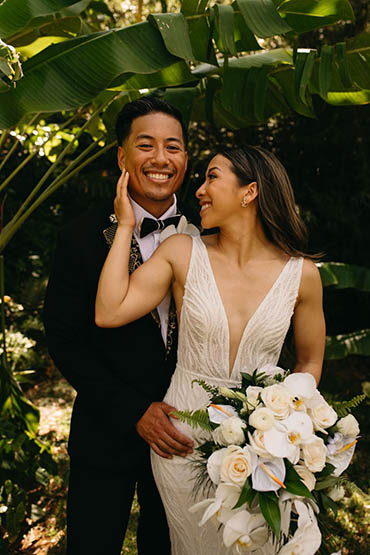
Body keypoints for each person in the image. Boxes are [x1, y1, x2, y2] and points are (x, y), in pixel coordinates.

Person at [95, 144, 326, 555]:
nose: (199, 190)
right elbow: (109, 311)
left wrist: (287, 428)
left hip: (264, 449)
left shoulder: (302, 274)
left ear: (249, 192)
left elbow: (309, 361)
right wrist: (126, 224)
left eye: (212, 178)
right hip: (182, 444)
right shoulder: (182, 252)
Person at [43, 96, 197, 554]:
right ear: (122, 156)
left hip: (186, 434)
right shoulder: (80, 236)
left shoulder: (209, 233)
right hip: (104, 429)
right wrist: (134, 410)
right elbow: (66, 340)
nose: (160, 159)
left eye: (173, 146)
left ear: (186, 157)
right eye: (145, 145)